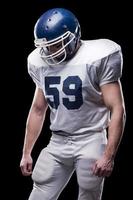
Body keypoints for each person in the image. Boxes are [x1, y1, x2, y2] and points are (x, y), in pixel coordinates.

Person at [20, 8, 126, 200]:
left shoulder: (98, 57)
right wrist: (26, 152)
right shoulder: (39, 62)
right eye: (47, 46)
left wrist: (109, 156)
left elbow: (117, 108)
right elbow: (37, 109)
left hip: (90, 137)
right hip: (58, 140)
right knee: (41, 187)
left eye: (56, 44)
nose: (50, 51)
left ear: (73, 37)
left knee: (89, 188)